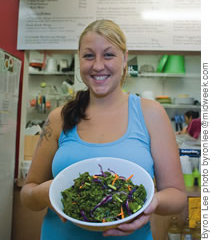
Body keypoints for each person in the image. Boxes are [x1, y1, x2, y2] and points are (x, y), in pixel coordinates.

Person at [20, 19, 187, 240]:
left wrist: (152, 202)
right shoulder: (58, 118)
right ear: (79, 59)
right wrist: (45, 194)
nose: (98, 65)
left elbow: (177, 196)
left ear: (125, 58)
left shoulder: (151, 114)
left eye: (108, 55)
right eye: (89, 56)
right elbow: (28, 193)